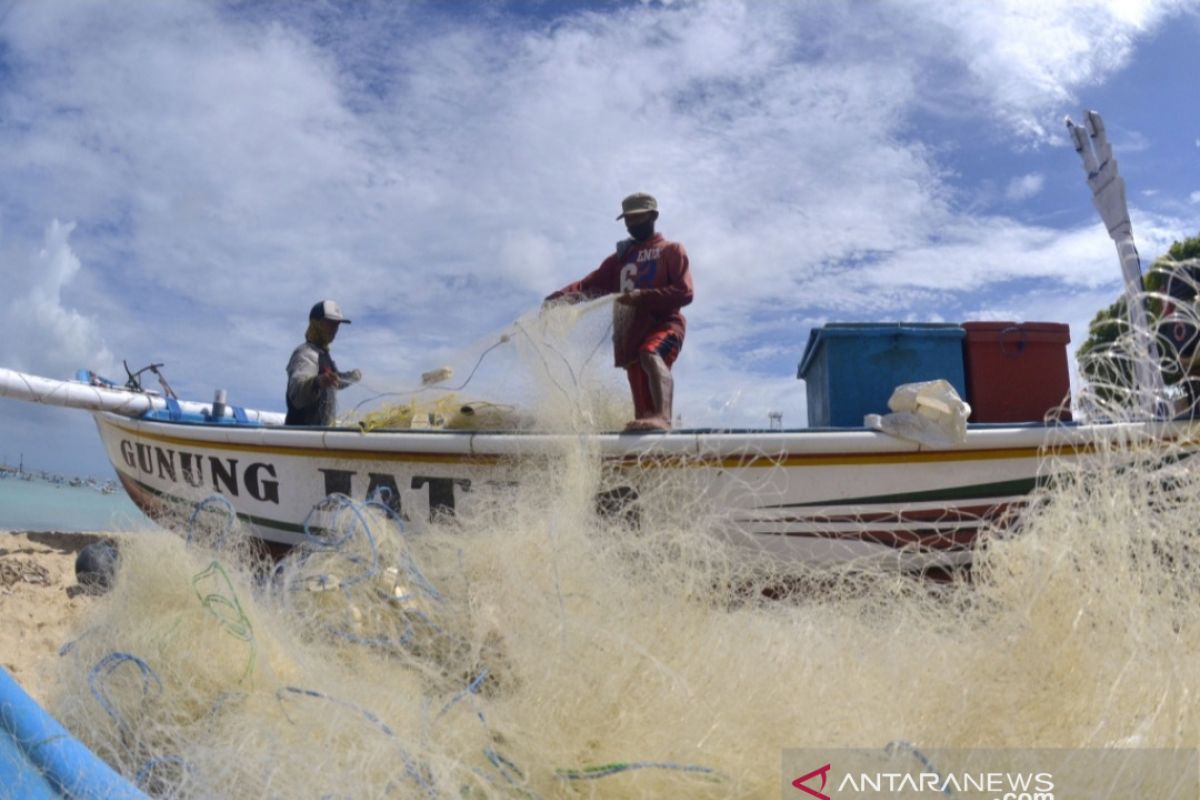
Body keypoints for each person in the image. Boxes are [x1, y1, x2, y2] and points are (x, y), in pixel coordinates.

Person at [544, 192, 693, 430]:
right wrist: (560, 298)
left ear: (653, 216)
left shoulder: (671, 250)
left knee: (650, 353)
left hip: (665, 326)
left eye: (637, 218)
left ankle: (664, 416)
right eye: (628, 220)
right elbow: (588, 286)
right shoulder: (619, 260)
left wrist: (640, 297)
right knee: (642, 416)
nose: (632, 225)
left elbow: (684, 292)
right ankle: (649, 449)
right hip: (630, 338)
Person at [285, 300, 362, 426]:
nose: (335, 329)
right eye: (331, 323)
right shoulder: (305, 354)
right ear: (316, 324)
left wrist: (352, 377)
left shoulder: (324, 356)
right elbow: (297, 395)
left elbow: (336, 381)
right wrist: (317, 382)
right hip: (301, 439)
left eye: (337, 325)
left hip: (318, 437)